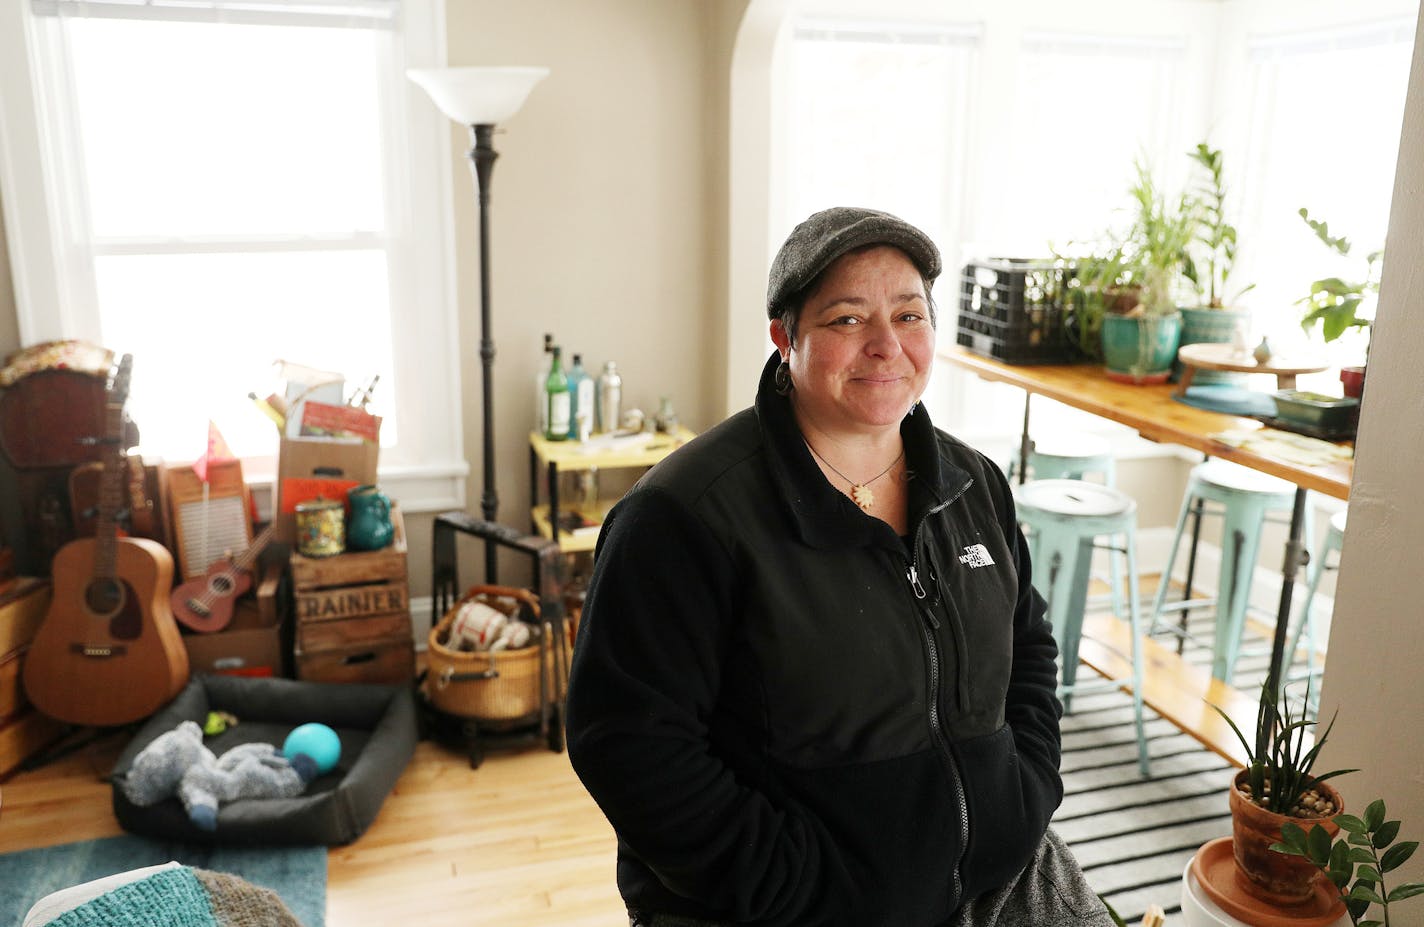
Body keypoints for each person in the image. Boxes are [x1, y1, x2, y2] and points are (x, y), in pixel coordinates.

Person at [565, 206, 1114, 927]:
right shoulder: (682, 517)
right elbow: (628, 747)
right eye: (847, 319)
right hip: (786, 908)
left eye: (909, 315)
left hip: (995, 868)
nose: (886, 345)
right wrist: (798, 886)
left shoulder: (975, 484)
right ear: (784, 337)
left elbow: (1029, 648)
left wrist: (1027, 789)